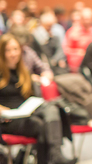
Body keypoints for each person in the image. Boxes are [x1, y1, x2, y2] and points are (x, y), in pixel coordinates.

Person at [0, 34, 76, 164]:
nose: (13, 54)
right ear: (2, 52)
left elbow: (29, 96)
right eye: (8, 50)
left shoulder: (23, 71)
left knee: (52, 108)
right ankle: (50, 158)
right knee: (40, 125)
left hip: (24, 112)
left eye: (16, 49)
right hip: (7, 118)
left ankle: (54, 155)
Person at [64, 7, 92, 72]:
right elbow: (66, 49)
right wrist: (78, 52)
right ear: (81, 18)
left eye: (89, 19)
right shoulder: (72, 32)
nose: (87, 21)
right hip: (76, 66)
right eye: (85, 19)